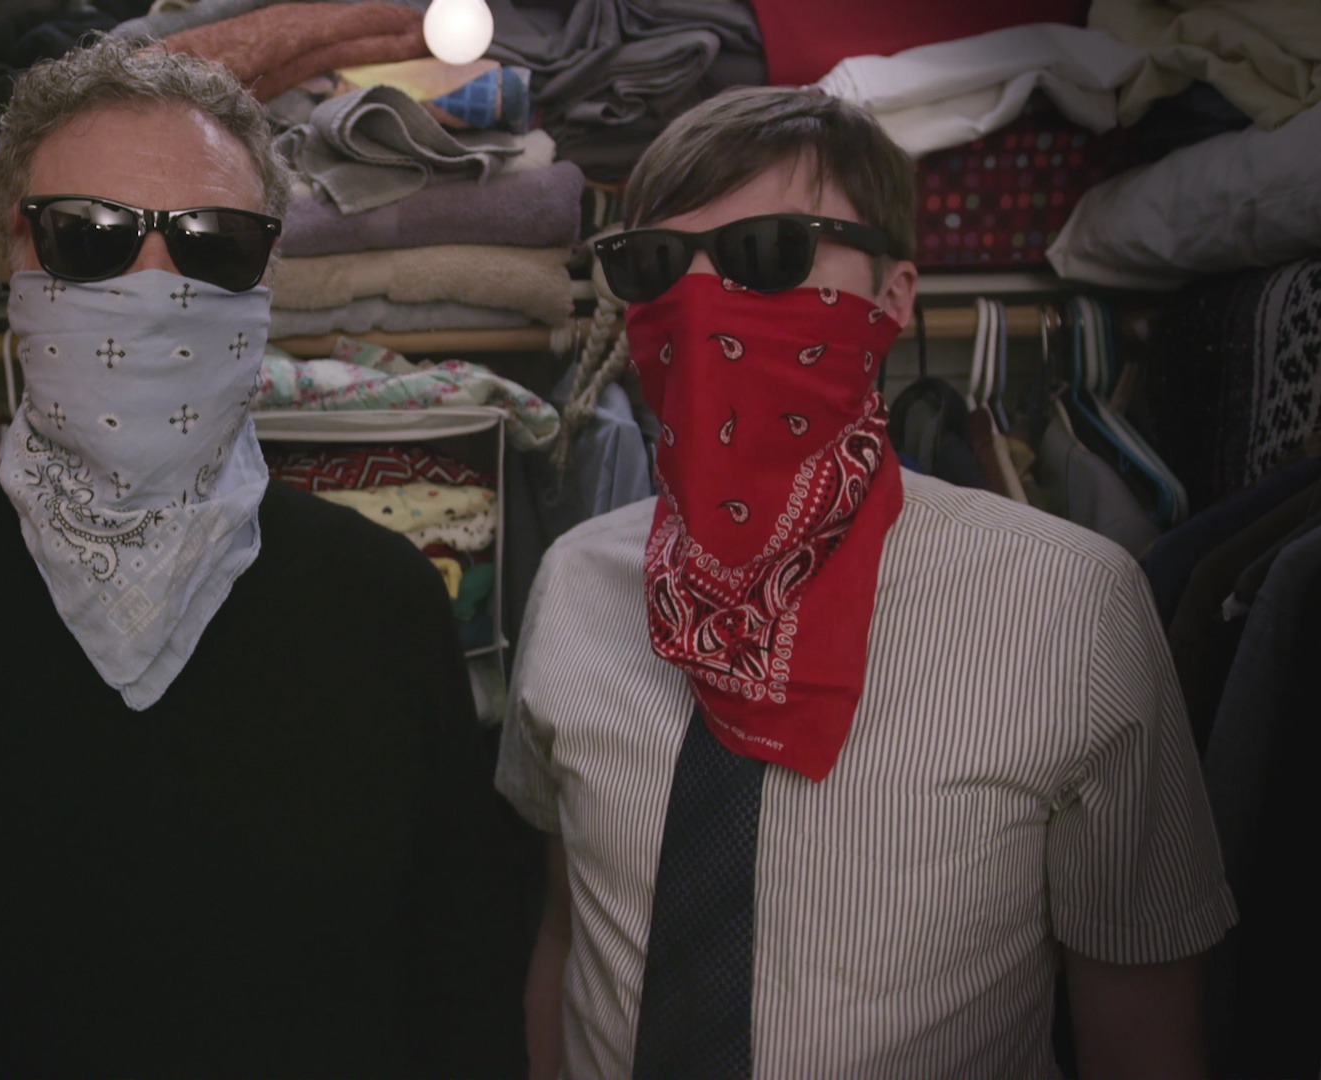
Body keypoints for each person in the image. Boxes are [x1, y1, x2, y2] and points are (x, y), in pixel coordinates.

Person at [0, 36, 527, 1077]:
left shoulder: (382, 605)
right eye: (90, 236)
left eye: (213, 243)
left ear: (266, 273)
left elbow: (457, 994)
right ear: (16, 255)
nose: (153, 289)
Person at [498, 86, 1236, 1080]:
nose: (701, 304)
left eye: (770, 253)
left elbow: (1140, 1024)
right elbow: (567, 933)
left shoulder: (1070, 605)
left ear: (893, 295)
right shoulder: (575, 584)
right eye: (655, 265)